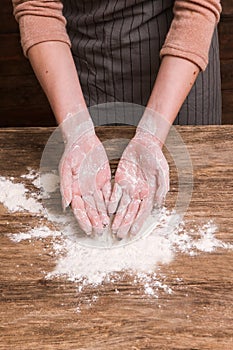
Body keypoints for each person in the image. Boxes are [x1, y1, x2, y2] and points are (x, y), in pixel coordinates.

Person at [12, 0, 222, 238]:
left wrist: (151, 135)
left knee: (192, 227)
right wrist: (77, 130)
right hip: (85, 61)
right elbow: (38, 7)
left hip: (181, 61)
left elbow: (197, 7)